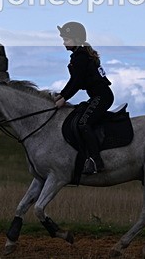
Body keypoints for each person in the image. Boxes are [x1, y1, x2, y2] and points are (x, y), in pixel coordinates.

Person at [54, 22, 114, 175]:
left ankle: (96, 161)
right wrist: (61, 94)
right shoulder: (78, 55)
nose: (64, 42)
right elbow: (73, 81)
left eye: (66, 39)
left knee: (83, 123)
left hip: (102, 97)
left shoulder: (81, 57)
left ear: (76, 39)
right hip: (97, 96)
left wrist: (63, 99)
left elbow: (78, 82)